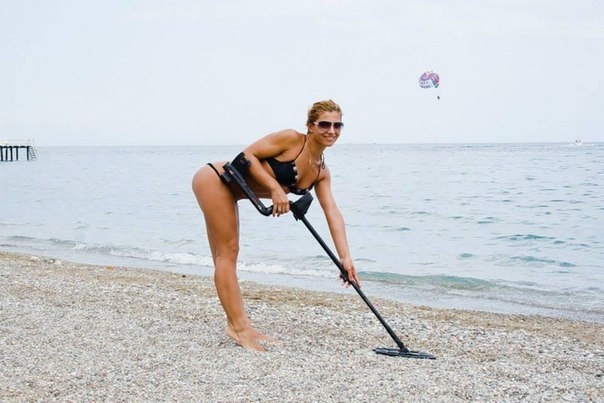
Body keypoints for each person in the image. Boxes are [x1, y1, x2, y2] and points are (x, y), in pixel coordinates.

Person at [192, 99, 360, 352]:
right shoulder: (291, 139)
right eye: (325, 124)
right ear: (310, 126)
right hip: (215, 180)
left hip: (233, 191)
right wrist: (275, 189)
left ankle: (242, 325)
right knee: (228, 252)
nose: (332, 131)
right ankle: (237, 328)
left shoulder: (321, 172)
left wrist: (345, 258)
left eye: (338, 125)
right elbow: (246, 156)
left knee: (226, 255)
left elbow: (332, 213)